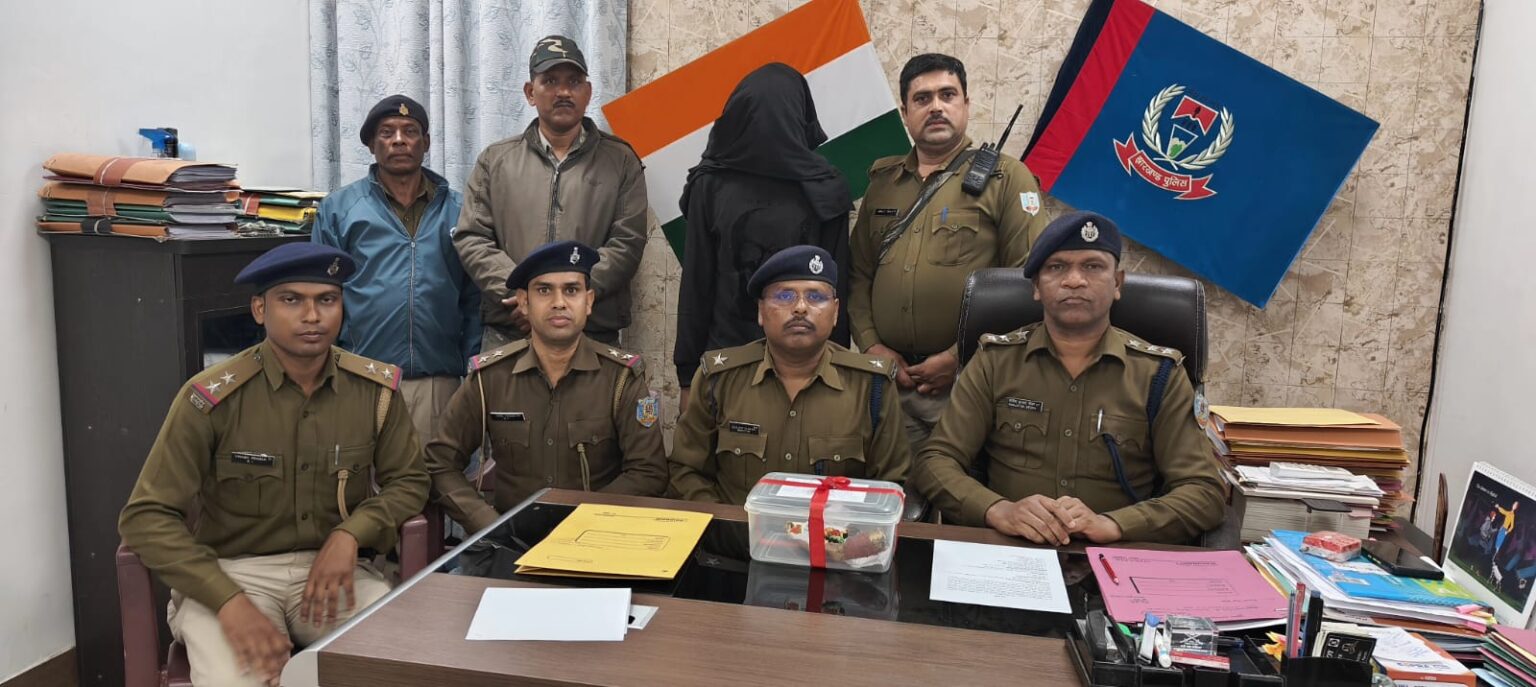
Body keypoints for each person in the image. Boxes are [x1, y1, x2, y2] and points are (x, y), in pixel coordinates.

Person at [118, 243, 429, 686]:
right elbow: (145, 517)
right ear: (259, 309)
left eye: (327, 299)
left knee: (392, 664)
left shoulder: (375, 391)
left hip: (335, 571)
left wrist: (350, 534)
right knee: (238, 680)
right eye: (291, 300)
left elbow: (409, 481)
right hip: (229, 573)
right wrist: (226, 599)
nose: (312, 316)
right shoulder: (211, 399)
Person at [910, 212, 1224, 545]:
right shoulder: (995, 361)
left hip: (1115, 553)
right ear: (1036, 287)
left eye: (1093, 266)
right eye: (1057, 267)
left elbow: (1203, 491)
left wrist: (1114, 524)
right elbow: (935, 461)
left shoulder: (1159, 374)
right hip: (1009, 550)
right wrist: (998, 510)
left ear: (1117, 283)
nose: (1074, 280)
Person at [847, 52, 1049, 450]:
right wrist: (872, 346)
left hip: (970, 382)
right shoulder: (883, 183)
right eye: (922, 99)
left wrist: (960, 356)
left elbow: (1028, 281)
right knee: (893, 484)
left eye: (947, 95)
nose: (936, 107)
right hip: (890, 381)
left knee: (960, 483)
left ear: (966, 105)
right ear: (905, 114)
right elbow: (858, 274)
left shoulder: (1008, 179)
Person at [426, 241, 668, 534]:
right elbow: (440, 463)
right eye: (544, 290)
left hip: (596, 541)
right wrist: (489, 524)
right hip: (511, 544)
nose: (559, 302)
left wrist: (586, 523)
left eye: (571, 290)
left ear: (589, 301)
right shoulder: (490, 377)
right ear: (523, 302)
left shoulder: (621, 379)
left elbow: (649, 473)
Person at [674, 63, 853, 411]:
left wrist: (840, 375)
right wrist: (687, 379)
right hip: (726, 366)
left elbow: (836, 294)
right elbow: (697, 285)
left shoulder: (824, 188)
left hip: (807, 368)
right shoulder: (710, 185)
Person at [671, 246, 909, 505]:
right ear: (761, 311)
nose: (800, 308)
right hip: (736, 532)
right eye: (784, 296)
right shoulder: (719, 379)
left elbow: (890, 485)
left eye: (816, 297)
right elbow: (686, 471)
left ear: (835, 312)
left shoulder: (872, 386)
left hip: (836, 532)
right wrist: (726, 522)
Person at [454, 35, 648, 348]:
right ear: (530, 92)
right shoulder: (495, 160)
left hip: (592, 334)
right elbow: (472, 238)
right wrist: (523, 295)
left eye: (574, 82)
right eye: (550, 81)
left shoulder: (621, 160)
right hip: (510, 333)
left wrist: (569, 299)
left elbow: (627, 242)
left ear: (588, 92)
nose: (563, 92)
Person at [312, 94, 480, 447]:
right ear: (371, 145)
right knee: (360, 477)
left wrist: (471, 368)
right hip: (361, 376)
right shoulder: (339, 210)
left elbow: (474, 298)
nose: (399, 140)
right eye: (387, 133)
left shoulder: (459, 210)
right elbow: (321, 295)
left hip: (437, 382)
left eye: (410, 131)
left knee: (436, 476)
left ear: (426, 142)